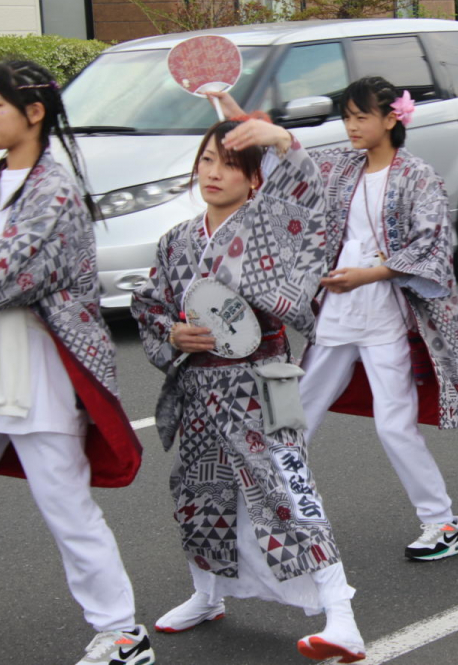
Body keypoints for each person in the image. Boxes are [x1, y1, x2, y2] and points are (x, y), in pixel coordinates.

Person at [0, 61, 151, 665]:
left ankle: (122, 632)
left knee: (65, 503)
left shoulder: (55, 191)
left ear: (33, 112)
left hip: (38, 362)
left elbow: (1, 276)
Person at [131, 118, 365, 662]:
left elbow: (310, 204)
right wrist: (172, 332)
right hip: (199, 384)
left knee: (287, 487)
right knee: (197, 493)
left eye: (230, 163)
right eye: (207, 160)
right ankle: (207, 593)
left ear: (256, 179)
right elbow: (150, 303)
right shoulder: (177, 241)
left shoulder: (273, 224)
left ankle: (341, 616)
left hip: (264, 381)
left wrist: (282, 141)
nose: (214, 173)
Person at [221, 77, 458, 563]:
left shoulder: (416, 174)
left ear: (391, 118)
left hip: (384, 312)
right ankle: (272, 512)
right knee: (296, 415)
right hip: (340, 309)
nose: (351, 126)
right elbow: (293, 172)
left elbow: (435, 246)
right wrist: (248, 125)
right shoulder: (340, 167)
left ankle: (442, 521)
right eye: (347, 117)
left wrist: (369, 274)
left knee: (393, 425)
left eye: (362, 116)